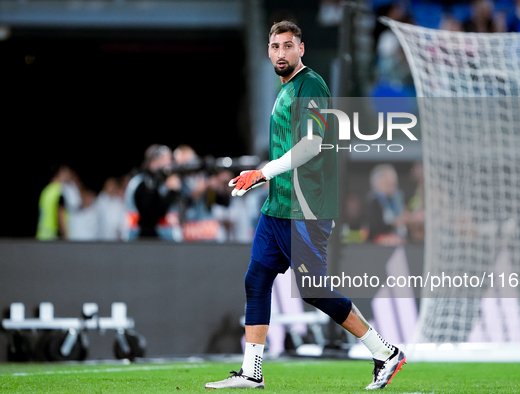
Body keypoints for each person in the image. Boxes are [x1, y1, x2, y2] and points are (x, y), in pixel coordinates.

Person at [205, 20, 406, 391]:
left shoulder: (310, 85)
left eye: (287, 45)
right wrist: (267, 179)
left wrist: (263, 172)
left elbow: (312, 143)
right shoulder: (285, 90)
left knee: (314, 290)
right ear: (268, 51)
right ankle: (252, 372)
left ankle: (385, 352)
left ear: (301, 48)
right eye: (274, 46)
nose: (280, 52)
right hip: (279, 205)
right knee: (257, 279)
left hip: (307, 208)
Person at [124, 144, 182, 240]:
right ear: (154, 161)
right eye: (166, 159)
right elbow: (150, 214)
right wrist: (171, 192)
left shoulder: (161, 183)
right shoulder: (143, 182)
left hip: (166, 240)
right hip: (143, 239)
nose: (170, 164)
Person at [36, 165, 81, 240]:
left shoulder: (47, 190)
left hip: (43, 233)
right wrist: (65, 234)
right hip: (54, 235)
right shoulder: (60, 191)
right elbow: (60, 212)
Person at [365, 164, 407, 246]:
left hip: (399, 242)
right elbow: (374, 227)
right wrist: (395, 223)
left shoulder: (397, 199)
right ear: (379, 181)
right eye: (389, 180)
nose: (394, 183)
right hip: (377, 246)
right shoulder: (372, 201)